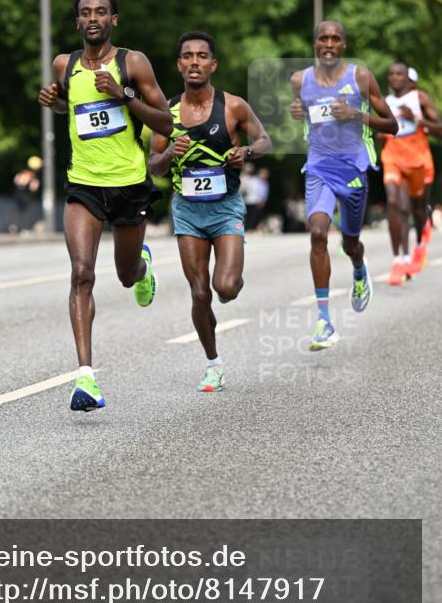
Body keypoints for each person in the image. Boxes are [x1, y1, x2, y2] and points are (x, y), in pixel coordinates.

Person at [38, 0, 173, 412]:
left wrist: (123, 95)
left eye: (101, 11)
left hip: (130, 182)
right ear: (77, 21)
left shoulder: (132, 63)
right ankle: (86, 378)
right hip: (83, 184)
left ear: (114, 19)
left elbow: (166, 123)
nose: (93, 17)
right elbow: (71, 107)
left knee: (126, 275)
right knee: (81, 273)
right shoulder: (66, 64)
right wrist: (54, 102)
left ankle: (142, 266)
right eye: (85, 12)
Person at [148, 32, 271, 392]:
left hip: (226, 207)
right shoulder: (166, 114)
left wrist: (246, 152)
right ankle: (213, 363)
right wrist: (171, 152)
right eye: (188, 56)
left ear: (213, 65)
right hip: (187, 210)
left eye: (202, 56)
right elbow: (153, 165)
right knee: (200, 293)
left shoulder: (232, 106)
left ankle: (232, 279)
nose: (195, 62)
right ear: (179, 65)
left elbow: (265, 140)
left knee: (226, 288)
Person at [290, 21, 397, 351]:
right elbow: (311, 116)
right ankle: (324, 320)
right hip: (319, 167)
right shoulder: (300, 81)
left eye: (335, 38)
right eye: (323, 37)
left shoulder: (360, 77)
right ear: (315, 43)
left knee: (351, 242)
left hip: (353, 169)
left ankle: (358, 267)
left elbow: (392, 124)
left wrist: (356, 115)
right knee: (319, 233)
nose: (329, 43)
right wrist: (299, 112)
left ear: (344, 45)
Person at [381, 61, 442, 284]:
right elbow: (378, 131)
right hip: (393, 159)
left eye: (400, 74)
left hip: (418, 161)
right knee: (395, 203)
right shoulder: (385, 103)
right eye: (391, 74)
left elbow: (440, 129)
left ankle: (420, 241)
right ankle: (399, 259)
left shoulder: (420, 99)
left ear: (408, 78)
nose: (395, 78)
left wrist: (415, 119)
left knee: (417, 208)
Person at [12, 156, 42, 232]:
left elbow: (15, 180)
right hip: (27, 195)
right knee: (27, 212)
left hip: (18, 194)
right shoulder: (33, 176)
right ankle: (24, 228)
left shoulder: (22, 173)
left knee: (19, 211)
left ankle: (17, 226)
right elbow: (34, 188)